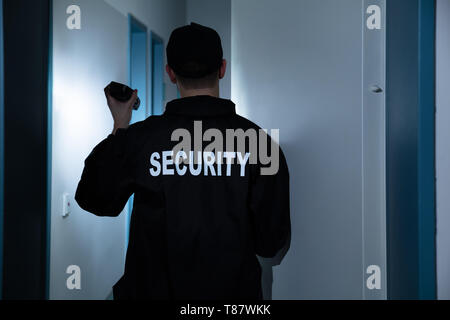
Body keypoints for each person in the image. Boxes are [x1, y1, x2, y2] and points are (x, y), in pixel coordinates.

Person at [75, 22, 290, 300]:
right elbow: (270, 242)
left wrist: (120, 127)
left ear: (170, 73)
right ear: (222, 68)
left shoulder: (140, 139)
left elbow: (95, 199)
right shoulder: (259, 143)